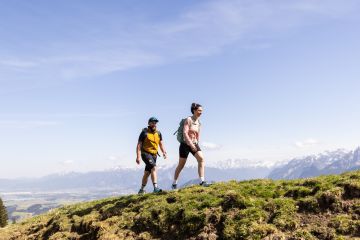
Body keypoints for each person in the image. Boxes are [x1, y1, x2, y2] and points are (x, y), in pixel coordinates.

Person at [172, 103, 209, 189]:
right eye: (199, 110)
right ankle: (174, 183)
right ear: (194, 111)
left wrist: (196, 143)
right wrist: (191, 145)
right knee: (181, 165)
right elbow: (185, 133)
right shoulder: (188, 120)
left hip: (194, 143)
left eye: (202, 111)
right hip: (185, 144)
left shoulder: (199, 122)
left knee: (201, 159)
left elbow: (197, 134)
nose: (201, 112)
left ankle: (202, 181)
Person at [136, 117, 167, 194]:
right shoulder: (144, 133)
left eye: (155, 123)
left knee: (147, 173)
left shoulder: (158, 133)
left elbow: (161, 143)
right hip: (145, 153)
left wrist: (164, 152)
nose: (154, 124)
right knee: (153, 167)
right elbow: (139, 145)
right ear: (149, 123)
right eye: (152, 122)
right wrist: (138, 156)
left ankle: (141, 189)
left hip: (154, 155)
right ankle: (155, 188)